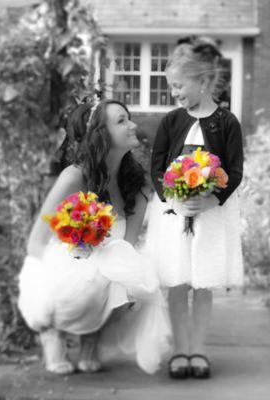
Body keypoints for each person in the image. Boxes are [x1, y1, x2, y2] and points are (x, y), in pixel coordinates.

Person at [18, 99, 171, 375]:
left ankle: (93, 337)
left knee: (139, 277)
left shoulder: (137, 186)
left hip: (108, 266)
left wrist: (131, 280)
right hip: (64, 264)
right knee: (88, 277)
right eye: (121, 121)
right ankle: (52, 332)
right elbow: (36, 241)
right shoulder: (74, 177)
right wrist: (69, 259)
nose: (132, 125)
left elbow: (127, 248)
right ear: (101, 134)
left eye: (129, 118)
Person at [144, 38, 244, 379]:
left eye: (178, 85)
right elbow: (157, 165)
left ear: (202, 82)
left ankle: (198, 350)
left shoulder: (226, 123)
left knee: (202, 285)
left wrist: (213, 197)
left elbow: (235, 169)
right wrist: (172, 197)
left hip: (212, 215)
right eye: (170, 86)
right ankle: (180, 351)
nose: (174, 92)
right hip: (174, 215)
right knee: (177, 283)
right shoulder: (172, 121)